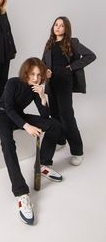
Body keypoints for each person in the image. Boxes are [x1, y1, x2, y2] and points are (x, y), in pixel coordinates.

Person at [0, 57, 62, 225]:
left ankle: (43, 164)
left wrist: (42, 96)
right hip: (3, 115)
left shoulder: (35, 88)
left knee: (54, 125)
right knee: (7, 143)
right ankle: (21, 193)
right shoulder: (12, 83)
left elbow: (45, 116)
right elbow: (9, 108)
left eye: (39, 75)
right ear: (26, 72)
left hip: (19, 115)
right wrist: (26, 126)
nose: (35, 78)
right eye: (32, 74)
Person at [42, 16, 96, 166]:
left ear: (66, 29)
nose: (58, 27)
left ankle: (78, 151)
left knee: (67, 116)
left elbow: (91, 56)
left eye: (61, 26)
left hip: (65, 83)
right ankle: (60, 140)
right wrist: (45, 70)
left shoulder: (73, 42)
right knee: (55, 114)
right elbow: (43, 62)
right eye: (56, 25)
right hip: (51, 83)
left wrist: (71, 67)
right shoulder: (49, 43)